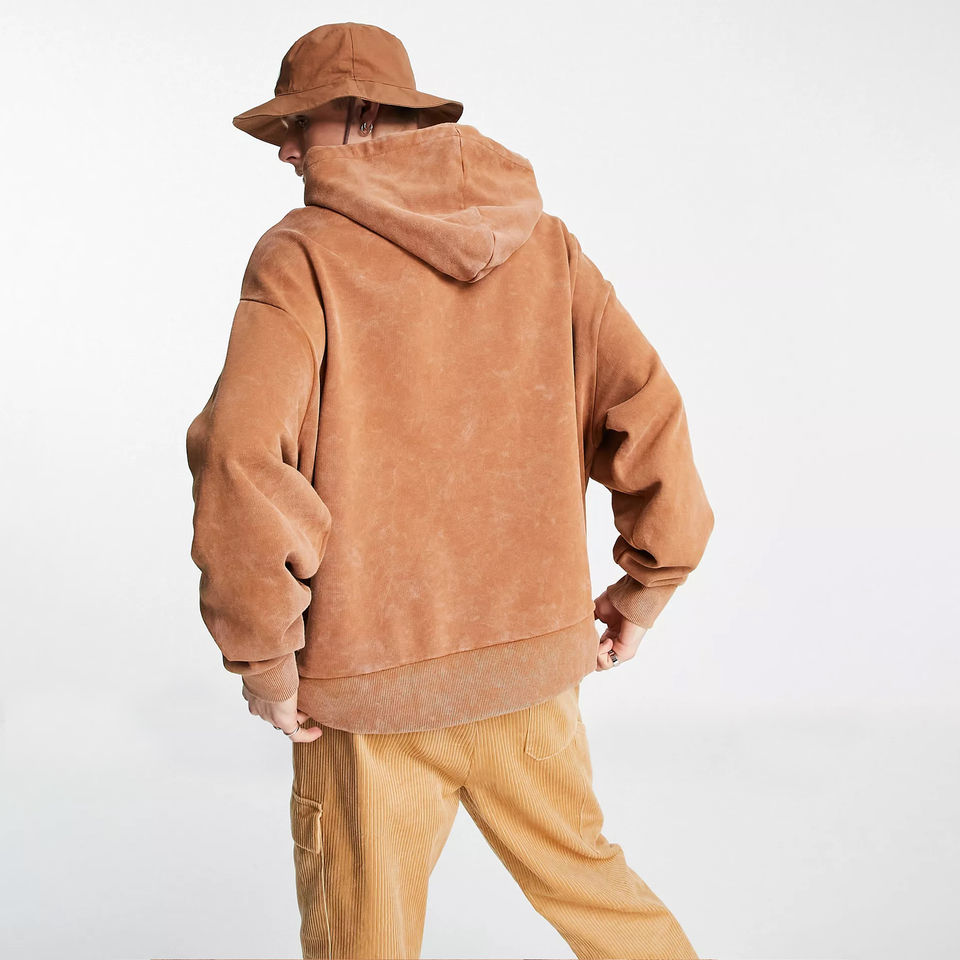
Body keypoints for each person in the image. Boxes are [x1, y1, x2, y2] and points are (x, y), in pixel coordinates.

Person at [185, 20, 715, 960]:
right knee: (603, 903)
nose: (285, 151)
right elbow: (648, 409)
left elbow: (240, 457)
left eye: (297, 125)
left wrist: (264, 659)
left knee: (363, 938)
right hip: (531, 671)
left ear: (356, 114)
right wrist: (647, 586)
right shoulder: (544, 244)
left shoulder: (301, 255)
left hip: (368, 695)